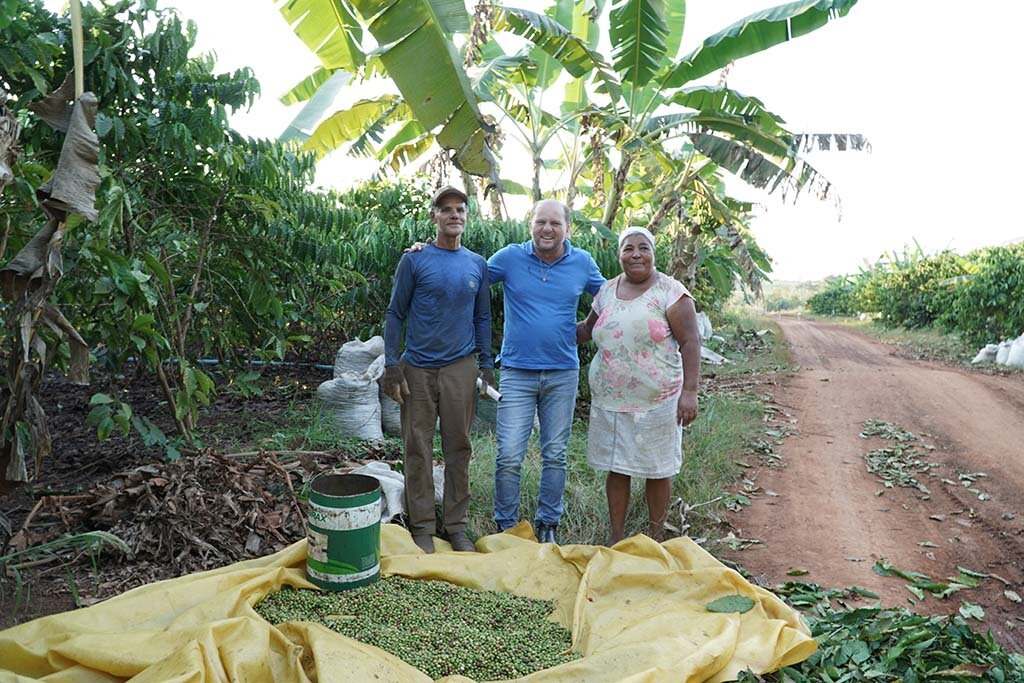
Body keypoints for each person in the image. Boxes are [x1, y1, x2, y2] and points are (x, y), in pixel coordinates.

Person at [382, 185, 495, 554]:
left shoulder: (476, 264)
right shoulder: (414, 260)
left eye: (460, 209)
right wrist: (391, 364)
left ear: (467, 216)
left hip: (460, 367)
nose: (454, 215)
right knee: (417, 447)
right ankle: (422, 527)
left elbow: (482, 316)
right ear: (434, 216)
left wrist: (487, 363)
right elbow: (395, 313)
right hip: (417, 367)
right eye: (446, 209)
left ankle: (457, 527)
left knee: (458, 447)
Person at [489, 199, 604, 543]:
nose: (547, 229)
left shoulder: (582, 262)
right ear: (531, 225)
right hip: (516, 371)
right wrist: (427, 251)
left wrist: (586, 328)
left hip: (562, 373)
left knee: (555, 454)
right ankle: (506, 526)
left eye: (555, 223)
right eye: (541, 222)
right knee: (509, 453)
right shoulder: (510, 257)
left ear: (568, 228)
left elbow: (611, 297)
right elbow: (469, 275)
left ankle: (548, 525)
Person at [576, 226, 701, 545]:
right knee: (617, 469)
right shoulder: (605, 291)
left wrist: (690, 392)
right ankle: (616, 538)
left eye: (643, 248)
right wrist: (542, 323)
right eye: (628, 248)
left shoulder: (671, 292)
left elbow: (690, 342)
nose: (635, 254)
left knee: (657, 470)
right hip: (610, 401)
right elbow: (586, 331)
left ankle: (655, 539)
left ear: (653, 253)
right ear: (619, 254)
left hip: (658, 399)